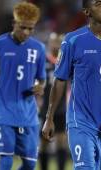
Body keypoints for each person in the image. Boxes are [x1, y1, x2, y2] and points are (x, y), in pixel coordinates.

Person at [42, 0, 101, 169]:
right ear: (87, 12)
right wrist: (49, 118)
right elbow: (59, 80)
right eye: (99, 4)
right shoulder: (73, 40)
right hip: (79, 119)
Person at [0, 2, 46, 170]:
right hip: (4, 112)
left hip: (28, 115)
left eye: (31, 28)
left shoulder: (39, 48)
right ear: (14, 23)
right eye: (23, 27)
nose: (26, 32)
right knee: (6, 160)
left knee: (30, 164)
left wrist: (39, 86)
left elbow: (41, 79)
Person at [38, 32, 68, 170]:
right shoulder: (42, 61)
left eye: (58, 42)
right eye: (53, 42)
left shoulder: (66, 61)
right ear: (49, 43)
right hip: (44, 108)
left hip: (61, 107)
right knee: (44, 142)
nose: (55, 45)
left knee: (61, 141)